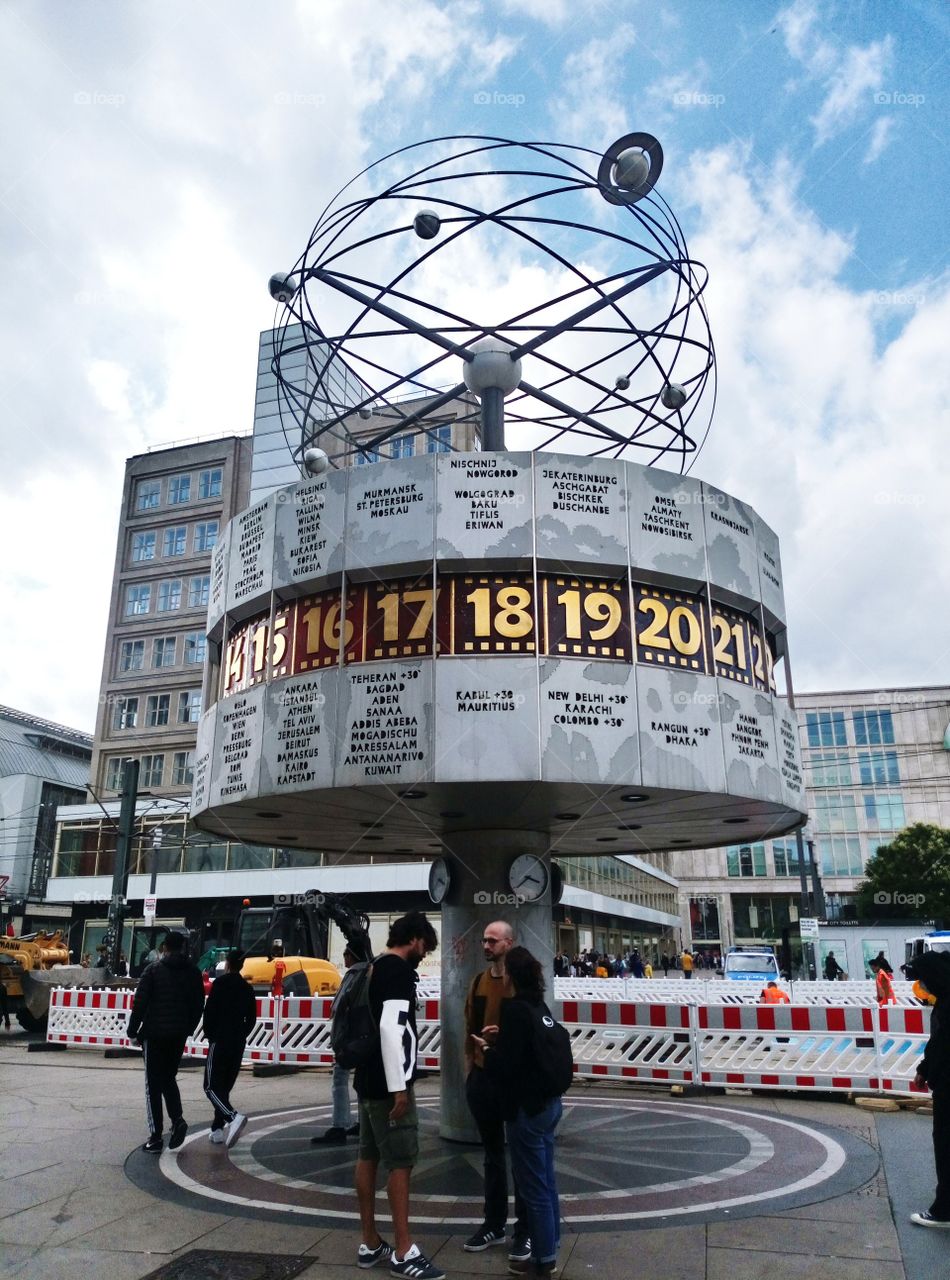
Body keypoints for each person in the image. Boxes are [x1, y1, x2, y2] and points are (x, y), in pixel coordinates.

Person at [353, 911, 443, 1279]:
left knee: (368, 1156)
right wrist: (399, 1087)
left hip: (366, 1077)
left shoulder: (374, 966)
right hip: (388, 1083)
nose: (425, 954)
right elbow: (392, 1028)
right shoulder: (399, 971)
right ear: (416, 938)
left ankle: (370, 1241)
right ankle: (404, 1250)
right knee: (400, 1162)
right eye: (426, 946)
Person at [472, 946, 563, 1278]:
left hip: (525, 1110)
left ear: (511, 975)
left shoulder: (513, 1010)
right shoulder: (537, 1005)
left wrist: (485, 1049)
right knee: (547, 1181)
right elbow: (527, 1050)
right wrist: (503, 1038)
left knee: (533, 1188)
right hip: (550, 1105)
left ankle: (541, 1260)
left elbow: (506, 1067)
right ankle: (550, 1245)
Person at [462, 920, 529, 1262]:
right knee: (492, 1155)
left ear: (509, 943)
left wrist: (502, 1037)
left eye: (492, 940)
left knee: (520, 1156)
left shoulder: (522, 985)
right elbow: (468, 1027)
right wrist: (471, 1073)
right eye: (484, 940)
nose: (486, 945)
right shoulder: (477, 983)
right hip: (484, 1079)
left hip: (514, 1079)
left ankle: (525, 1230)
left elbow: (530, 1030)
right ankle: (494, 1223)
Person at [127, 931, 205, 1153]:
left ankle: (155, 1136)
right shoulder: (193, 972)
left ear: (163, 948)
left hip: (154, 1035)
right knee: (168, 1078)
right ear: (183, 948)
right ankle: (177, 1119)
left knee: (153, 1084)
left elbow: (140, 1003)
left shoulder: (153, 970)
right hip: (178, 1035)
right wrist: (187, 1028)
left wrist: (133, 1031)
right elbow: (198, 1005)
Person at [907, 952, 950, 1228]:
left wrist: (926, 1070)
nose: (923, 985)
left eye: (924, 979)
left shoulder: (946, 1006)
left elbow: (940, 1045)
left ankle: (944, 1210)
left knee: (946, 1144)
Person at [202, 949, 257, 1148]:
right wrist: (242, 1033)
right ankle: (217, 1128)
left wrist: (210, 1034)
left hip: (220, 1038)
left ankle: (232, 1117)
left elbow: (210, 1011)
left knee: (210, 1086)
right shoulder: (247, 988)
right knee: (224, 1084)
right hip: (238, 1040)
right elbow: (252, 1018)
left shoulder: (220, 984)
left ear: (227, 964)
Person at [312, 945, 361, 1145]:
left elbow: (339, 1009)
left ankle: (340, 1124)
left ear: (351, 956)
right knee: (361, 1080)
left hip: (348, 1039)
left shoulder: (352, 976)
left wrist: (339, 1041)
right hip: (362, 1039)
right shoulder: (368, 974)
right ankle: (362, 1123)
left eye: (345, 955)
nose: (344, 959)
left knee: (339, 1079)